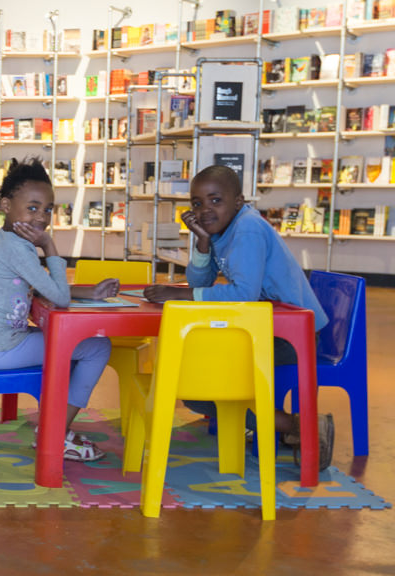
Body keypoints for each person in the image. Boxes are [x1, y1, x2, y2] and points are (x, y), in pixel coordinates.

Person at [144, 165, 335, 470]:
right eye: (197, 203)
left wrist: (181, 295)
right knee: (193, 377)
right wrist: (203, 243)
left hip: (292, 336)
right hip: (261, 328)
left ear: (238, 201)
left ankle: (296, 426)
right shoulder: (223, 230)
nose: (205, 210)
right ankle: (283, 425)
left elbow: (242, 294)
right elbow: (200, 283)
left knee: (200, 379)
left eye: (215, 200)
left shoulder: (247, 228)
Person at [0, 157, 119, 461]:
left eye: (48, 209)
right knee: (98, 347)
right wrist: (49, 246)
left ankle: (55, 425)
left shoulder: (5, 239)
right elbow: (59, 299)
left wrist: (87, 291)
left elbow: (37, 287)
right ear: (7, 205)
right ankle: (55, 434)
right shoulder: (18, 247)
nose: (41, 217)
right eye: (33, 207)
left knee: (78, 349)